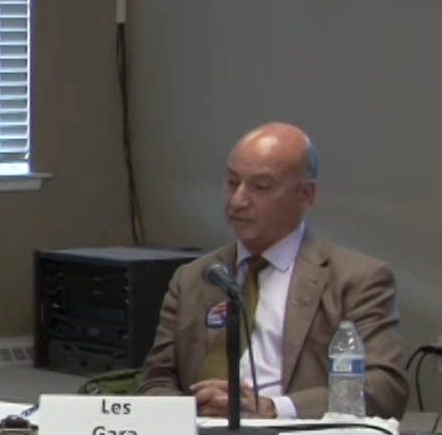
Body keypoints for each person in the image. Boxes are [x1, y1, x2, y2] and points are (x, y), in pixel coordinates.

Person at [138, 122, 407, 418]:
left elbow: (385, 389)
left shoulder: (356, 279)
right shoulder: (192, 278)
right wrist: (190, 410)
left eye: (260, 187)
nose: (237, 200)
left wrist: (272, 409)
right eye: (231, 182)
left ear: (306, 195)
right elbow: (156, 381)